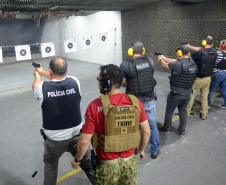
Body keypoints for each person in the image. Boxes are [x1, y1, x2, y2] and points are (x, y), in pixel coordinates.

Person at [71, 64, 150, 185]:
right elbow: (146, 132)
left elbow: (84, 141)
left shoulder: (94, 106)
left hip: (106, 167)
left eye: (99, 80)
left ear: (106, 83)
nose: (98, 83)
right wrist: (141, 149)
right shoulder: (135, 103)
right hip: (129, 164)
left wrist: (78, 159)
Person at [32, 57, 94, 185]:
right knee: (90, 167)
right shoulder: (75, 82)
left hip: (54, 142)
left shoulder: (41, 88)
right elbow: (58, 79)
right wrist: (43, 71)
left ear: (50, 71)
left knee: (50, 165)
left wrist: (37, 74)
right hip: (78, 137)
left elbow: (36, 86)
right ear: (67, 70)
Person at [120, 40, 160, 159]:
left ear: (130, 51)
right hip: (149, 99)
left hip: (134, 101)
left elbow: (122, 84)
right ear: (143, 50)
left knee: (133, 126)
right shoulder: (150, 61)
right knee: (152, 125)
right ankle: (154, 150)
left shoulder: (125, 64)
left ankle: (134, 149)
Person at [157, 45, 198, 137]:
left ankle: (167, 128)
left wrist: (160, 59)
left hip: (176, 94)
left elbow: (165, 65)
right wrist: (165, 57)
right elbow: (176, 62)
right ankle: (182, 131)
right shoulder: (193, 63)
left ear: (179, 53)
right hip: (187, 93)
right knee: (183, 111)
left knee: (169, 111)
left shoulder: (178, 64)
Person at [186, 36, 217, 120]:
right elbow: (202, 50)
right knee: (204, 97)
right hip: (208, 79)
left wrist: (187, 50)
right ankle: (204, 114)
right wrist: (190, 46)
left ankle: (187, 113)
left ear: (204, 43)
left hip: (198, 79)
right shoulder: (215, 52)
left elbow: (188, 56)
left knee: (191, 96)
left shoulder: (199, 53)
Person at [208, 39, 226, 109]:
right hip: (225, 73)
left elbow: (214, 62)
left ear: (222, 46)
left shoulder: (219, 54)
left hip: (218, 73)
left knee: (210, 89)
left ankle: (208, 104)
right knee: (224, 89)